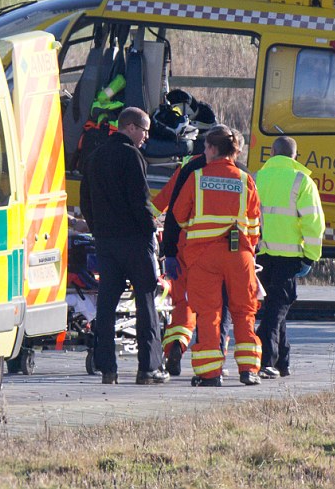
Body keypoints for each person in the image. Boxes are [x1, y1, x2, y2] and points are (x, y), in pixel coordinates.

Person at [80, 106, 169, 385]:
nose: (146, 137)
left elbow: (85, 201)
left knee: (106, 304)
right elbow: (140, 201)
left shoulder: (94, 157)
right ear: (130, 127)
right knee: (145, 300)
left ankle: (108, 368)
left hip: (106, 242)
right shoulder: (131, 156)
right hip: (133, 240)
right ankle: (148, 368)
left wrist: (98, 230)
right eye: (144, 131)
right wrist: (151, 230)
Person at [172, 126, 262, 387]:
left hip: (204, 255)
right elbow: (256, 224)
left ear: (212, 149)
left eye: (206, 147)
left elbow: (179, 215)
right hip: (240, 255)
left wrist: (197, 233)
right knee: (245, 311)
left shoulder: (197, 177)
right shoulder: (246, 180)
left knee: (209, 313)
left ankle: (210, 374)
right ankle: (249, 371)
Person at [151, 131, 233, 377]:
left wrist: (166, 245)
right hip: (218, 250)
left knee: (183, 302)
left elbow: (163, 204)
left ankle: (175, 347)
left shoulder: (187, 168)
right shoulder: (236, 174)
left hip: (185, 246)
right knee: (217, 305)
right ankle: (216, 356)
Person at [255, 136, 325, 379]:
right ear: (296, 155)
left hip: (261, 254)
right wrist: (310, 257)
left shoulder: (257, 178)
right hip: (290, 257)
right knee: (276, 309)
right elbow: (313, 223)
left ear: (272, 152)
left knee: (275, 307)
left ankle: (282, 362)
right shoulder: (302, 181)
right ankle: (267, 361)